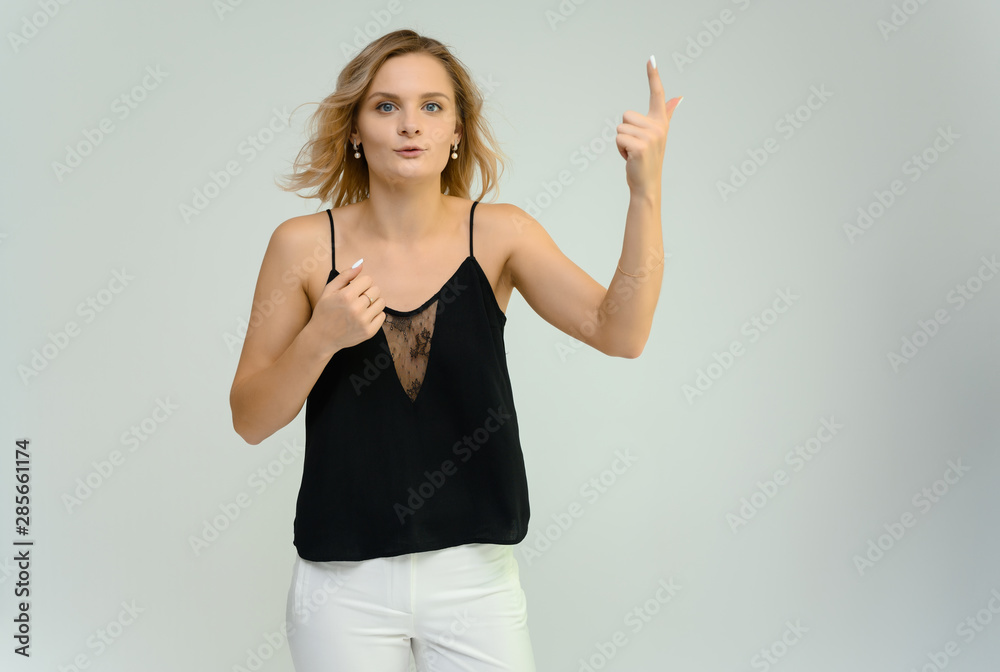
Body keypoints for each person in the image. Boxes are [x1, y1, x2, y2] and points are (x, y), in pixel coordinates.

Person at [229, 28, 680, 672]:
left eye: (432, 106)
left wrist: (646, 193)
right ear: (355, 129)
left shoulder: (501, 234)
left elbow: (621, 331)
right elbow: (250, 418)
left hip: (475, 579)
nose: (410, 124)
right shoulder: (301, 247)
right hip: (341, 584)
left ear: (458, 131)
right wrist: (321, 335)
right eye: (386, 106)